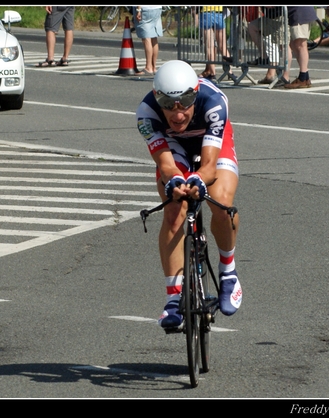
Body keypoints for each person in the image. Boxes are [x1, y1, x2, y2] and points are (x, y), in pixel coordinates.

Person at [135, 60, 242, 331]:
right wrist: (175, 182)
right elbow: (168, 166)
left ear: (195, 93)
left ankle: (228, 271)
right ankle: (173, 299)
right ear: (157, 98)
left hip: (211, 139)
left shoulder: (214, 102)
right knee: (173, 210)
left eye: (184, 102)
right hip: (174, 146)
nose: (177, 113)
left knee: (222, 202)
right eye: (168, 104)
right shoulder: (146, 113)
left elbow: (208, 166)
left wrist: (198, 179)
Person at [282, 6, 317, 89]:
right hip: (296, 13)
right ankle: (305, 77)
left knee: (300, 44)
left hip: (299, 13)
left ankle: (303, 78)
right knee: (294, 44)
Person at [198, 6, 236, 82]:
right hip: (219, 13)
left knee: (209, 46)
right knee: (223, 46)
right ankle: (230, 71)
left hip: (206, 12)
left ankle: (212, 73)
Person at [133, 6, 162, 76]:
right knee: (154, 37)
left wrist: (138, 10)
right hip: (157, 9)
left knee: (146, 38)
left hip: (145, 9)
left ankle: (148, 67)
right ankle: (153, 67)